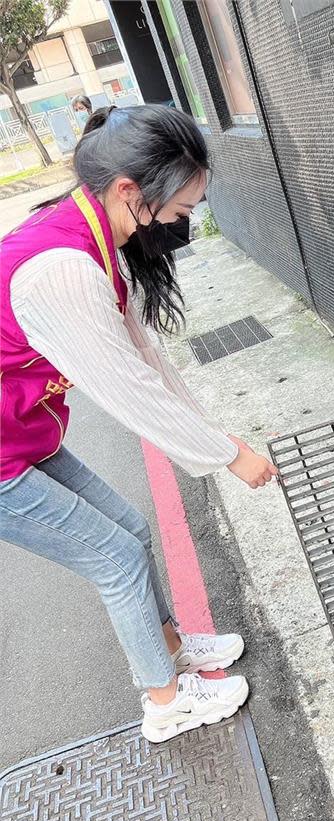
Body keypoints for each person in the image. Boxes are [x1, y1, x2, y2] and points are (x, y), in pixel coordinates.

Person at [0, 105, 279, 743]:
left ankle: (173, 649)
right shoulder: (61, 269)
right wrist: (225, 456)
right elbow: (125, 390)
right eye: (180, 211)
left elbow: (146, 358)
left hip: (21, 435)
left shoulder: (94, 235)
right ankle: (165, 702)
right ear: (130, 191)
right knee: (117, 558)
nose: (183, 224)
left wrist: (220, 439)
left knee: (127, 526)